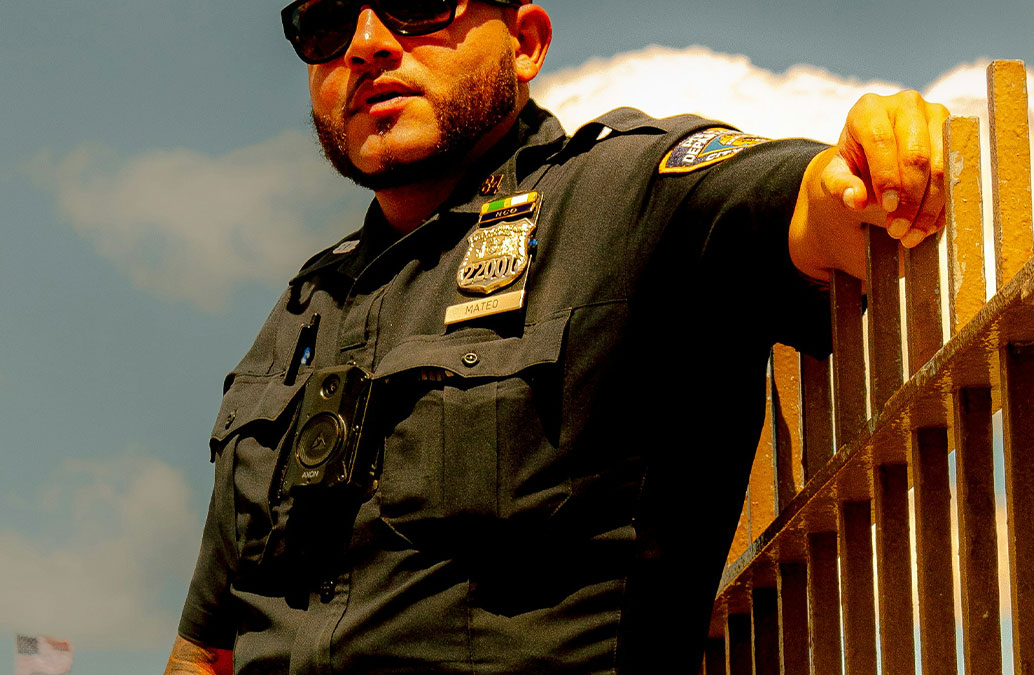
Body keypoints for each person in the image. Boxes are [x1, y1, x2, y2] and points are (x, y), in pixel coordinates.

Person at [165, 1, 948, 673]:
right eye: (326, 24)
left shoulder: (621, 199)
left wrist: (864, 174)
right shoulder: (301, 310)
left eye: (417, 3)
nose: (366, 43)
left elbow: (805, 211)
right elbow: (205, 651)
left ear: (527, 42)